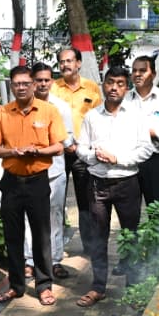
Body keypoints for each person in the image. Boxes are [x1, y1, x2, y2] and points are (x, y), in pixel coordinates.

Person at [0, 65, 66, 307]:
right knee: (13, 236)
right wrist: (13, 151)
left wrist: (37, 151)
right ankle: (16, 286)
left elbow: (59, 146)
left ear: (33, 85)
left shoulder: (48, 111)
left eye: (25, 83)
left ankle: (44, 286)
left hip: (37, 181)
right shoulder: (3, 113)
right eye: (16, 84)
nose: (21, 88)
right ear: (12, 86)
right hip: (11, 182)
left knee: (42, 235)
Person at [76, 65, 153, 308]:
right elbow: (81, 147)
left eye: (120, 83)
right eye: (110, 82)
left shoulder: (137, 116)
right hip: (98, 184)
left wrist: (117, 159)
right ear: (103, 85)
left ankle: (133, 288)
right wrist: (94, 156)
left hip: (127, 183)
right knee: (98, 237)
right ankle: (98, 287)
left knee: (130, 236)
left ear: (126, 87)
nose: (114, 88)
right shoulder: (92, 116)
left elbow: (146, 149)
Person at [24, 63, 75, 280]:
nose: (43, 84)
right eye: (39, 80)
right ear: (32, 82)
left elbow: (69, 139)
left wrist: (44, 145)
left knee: (54, 216)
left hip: (54, 172)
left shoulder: (60, 107)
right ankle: (29, 261)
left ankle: (54, 261)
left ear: (52, 82)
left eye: (47, 80)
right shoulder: (22, 105)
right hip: (27, 171)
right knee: (29, 216)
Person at [50, 47, 102, 255]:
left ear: (78, 63)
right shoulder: (53, 88)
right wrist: (65, 143)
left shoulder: (91, 88)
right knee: (56, 200)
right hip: (59, 151)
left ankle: (89, 247)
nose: (65, 65)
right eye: (62, 62)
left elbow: (98, 120)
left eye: (69, 61)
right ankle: (57, 247)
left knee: (86, 201)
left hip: (82, 152)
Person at [126, 55, 159, 208]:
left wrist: (154, 133)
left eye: (142, 70)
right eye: (134, 70)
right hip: (130, 161)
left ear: (153, 74)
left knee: (158, 209)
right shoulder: (125, 99)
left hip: (156, 160)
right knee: (129, 209)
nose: (137, 74)